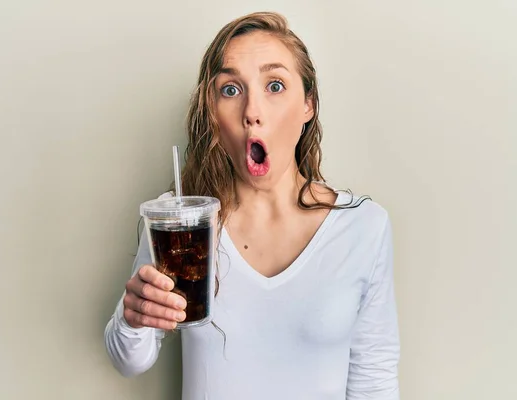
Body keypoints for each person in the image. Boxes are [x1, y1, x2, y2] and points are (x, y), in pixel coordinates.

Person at [104, 11, 400, 400]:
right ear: (213, 114)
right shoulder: (181, 225)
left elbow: (374, 381)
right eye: (230, 90)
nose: (251, 112)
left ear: (308, 105)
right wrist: (134, 316)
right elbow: (130, 360)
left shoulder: (364, 227)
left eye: (274, 85)